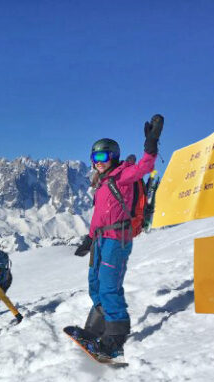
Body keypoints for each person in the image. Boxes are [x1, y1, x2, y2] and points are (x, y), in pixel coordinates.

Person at [80, 114, 164, 360]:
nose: (99, 162)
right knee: (94, 283)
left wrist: (151, 146)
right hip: (101, 239)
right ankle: (97, 328)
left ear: (113, 157)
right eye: (95, 157)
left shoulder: (124, 175)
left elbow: (146, 167)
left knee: (109, 285)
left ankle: (116, 336)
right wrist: (89, 237)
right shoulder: (103, 183)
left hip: (118, 238)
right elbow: (99, 215)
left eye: (103, 157)